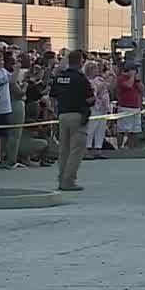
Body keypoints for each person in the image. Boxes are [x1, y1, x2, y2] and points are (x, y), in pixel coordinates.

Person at [51, 50, 93, 191]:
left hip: (62, 115)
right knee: (76, 150)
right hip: (78, 116)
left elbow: (53, 95)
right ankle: (69, 180)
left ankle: (61, 177)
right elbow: (90, 98)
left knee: (64, 149)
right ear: (81, 61)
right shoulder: (80, 78)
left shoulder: (60, 77)